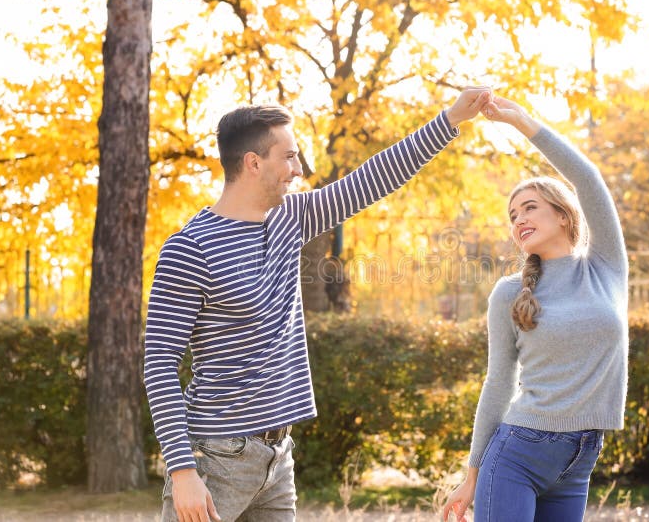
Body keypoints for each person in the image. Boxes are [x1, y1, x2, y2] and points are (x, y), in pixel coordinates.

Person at [144, 87, 492, 522]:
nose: (298, 168)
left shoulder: (290, 218)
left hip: (278, 457)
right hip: (215, 460)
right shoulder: (190, 249)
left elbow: (371, 180)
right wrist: (182, 472)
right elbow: (159, 364)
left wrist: (450, 120)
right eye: (288, 156)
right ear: (253, 163)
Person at [442, 96, 628, 522]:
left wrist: (525, 124)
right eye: (512, 214)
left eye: (530, 207)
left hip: (580, 458)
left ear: (564, 216)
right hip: (516, 455)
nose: (518, 219)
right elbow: (498, 384)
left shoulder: (606, 267)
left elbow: (589, 179)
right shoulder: (509, 293)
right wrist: (472, 475)